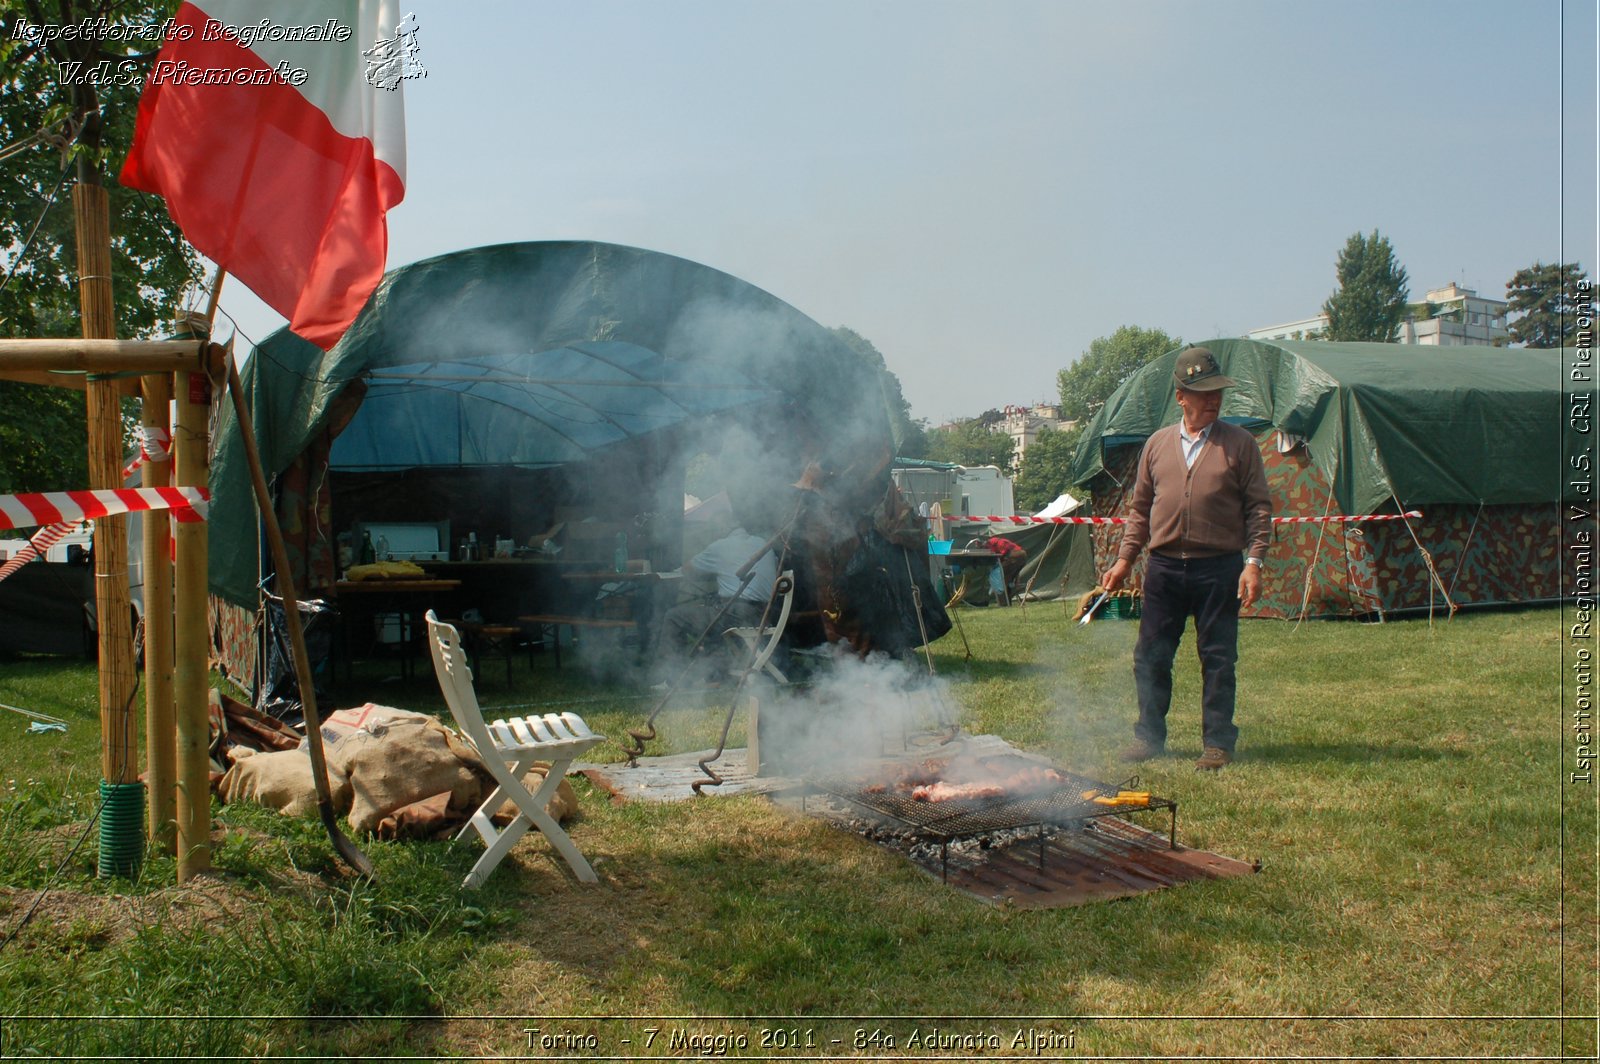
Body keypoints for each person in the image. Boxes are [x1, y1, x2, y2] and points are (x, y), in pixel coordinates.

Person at [1100, 346, 1271, 771]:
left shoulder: (1240, 444)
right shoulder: (1156, 446)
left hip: (1219, 568)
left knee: (1217, 657)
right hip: (1164, 568)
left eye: (1217, 391)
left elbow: (1259, 509)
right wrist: (1124, 561)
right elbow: (1140, 510)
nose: (1213, 398)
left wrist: (1254, 563)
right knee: (1151, 655)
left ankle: (1217, 744)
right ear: (1181, 396)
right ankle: (1149, 737)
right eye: (1203, 392)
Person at [651, 513, 778, 685]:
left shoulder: (720, 546)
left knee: (675, 617)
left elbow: (687, 569)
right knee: (711, 615)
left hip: (736, 614)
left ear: (722, 529)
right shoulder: (763, 543)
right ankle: (715, 674)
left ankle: (672, 678)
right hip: (764, 614)